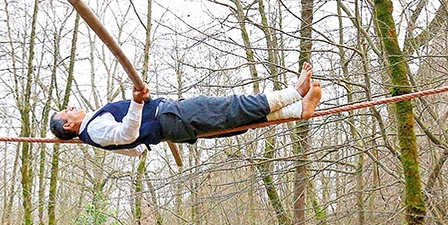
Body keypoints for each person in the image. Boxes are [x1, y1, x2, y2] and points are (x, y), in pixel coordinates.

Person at [50, 63, 322, 157]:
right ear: (70, 126)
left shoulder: (95, 132)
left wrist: (149, 135)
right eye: (66, 112)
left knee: (235, 123)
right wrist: (137, 103)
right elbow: (127, 134)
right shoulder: (95, 128)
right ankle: (294, 94)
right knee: (230, 106)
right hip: (172, 117)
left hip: (171, 126)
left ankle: (298, 110)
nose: (71, 107)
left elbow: (133, 148)